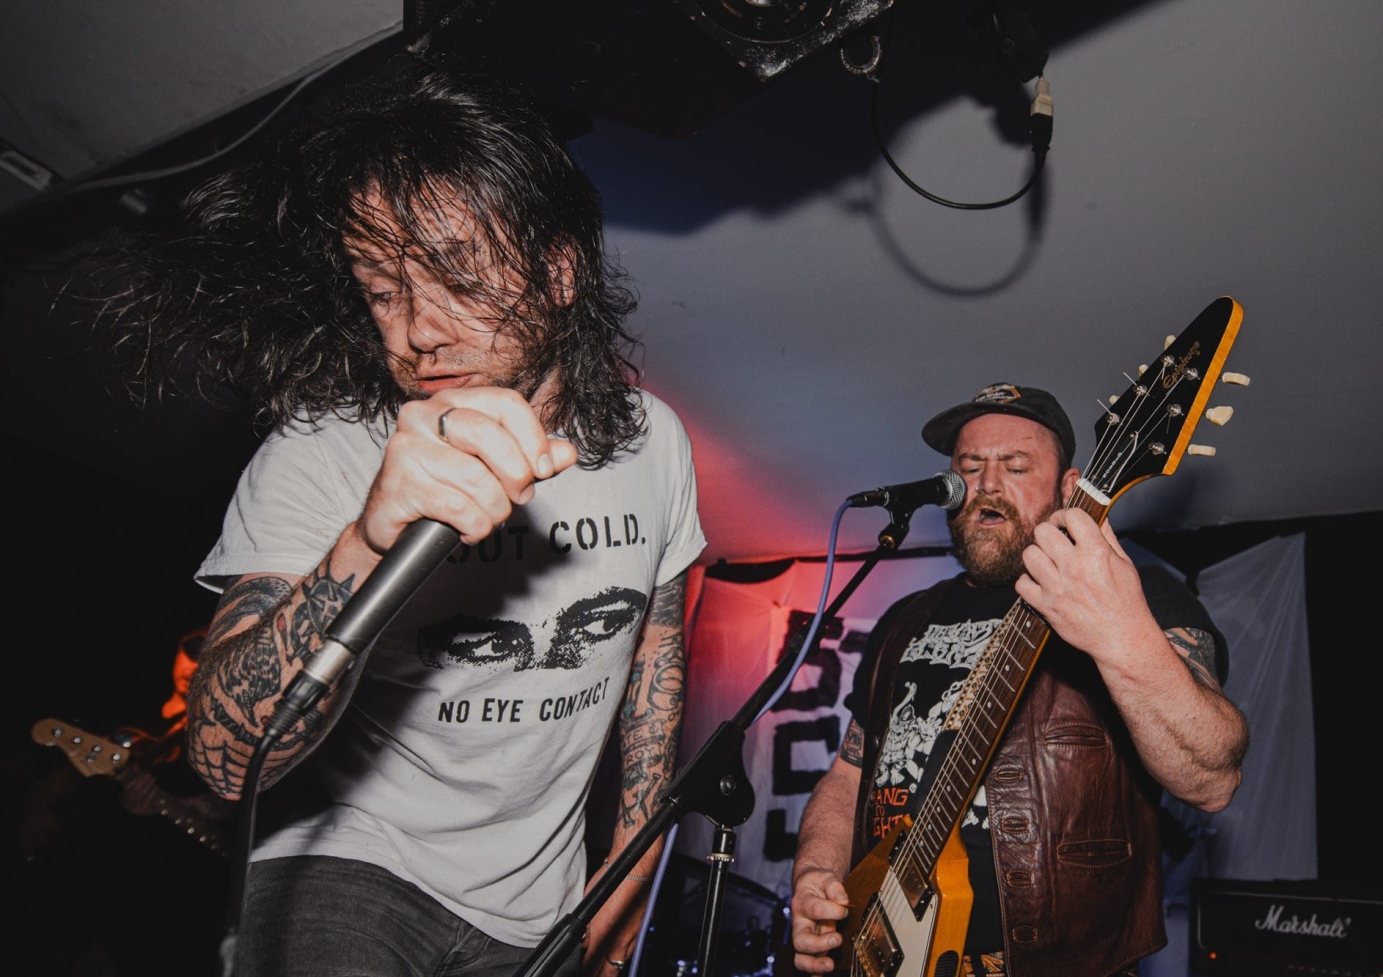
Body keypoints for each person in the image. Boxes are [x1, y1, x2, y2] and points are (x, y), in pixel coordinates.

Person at [99, 60, 706, 977]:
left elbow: (655, 653)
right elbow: (224, 758)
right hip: (347, 861)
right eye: (383, 290)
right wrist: (366, 541)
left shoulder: (653, 442)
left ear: (558, 272)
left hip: (538, 901)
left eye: (456, 276)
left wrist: (633, 862)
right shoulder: (324, 448)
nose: (416, 330)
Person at [788, 383, 1249, 977]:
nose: (986, 484)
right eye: (969, 467)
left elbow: (1211, 778)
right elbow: (848, 775)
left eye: (1015, 466)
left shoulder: (1137, 597)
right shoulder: (903, 619)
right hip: (884, 949)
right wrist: (816, 874)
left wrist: (1120, 634)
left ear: (1069, 488)